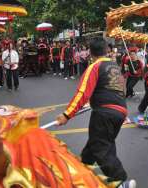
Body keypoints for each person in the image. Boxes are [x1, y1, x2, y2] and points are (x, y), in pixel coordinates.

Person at [55, 37, 136, 188]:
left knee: (100, 147)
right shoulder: (114, 66)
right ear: (107, 50)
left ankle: (121, 180)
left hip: (105, 112)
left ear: (90, 53)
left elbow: (82, 93)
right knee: (99, 143)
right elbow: (122, 89)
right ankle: (82, 169)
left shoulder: (95, 67)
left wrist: (67, 115)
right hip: (120, 111)